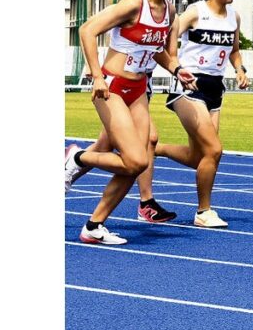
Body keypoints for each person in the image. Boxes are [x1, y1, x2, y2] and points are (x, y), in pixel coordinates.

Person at [63, 0, 196, 245]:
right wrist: (96, 75)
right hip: (111, 87)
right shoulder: (133, 4)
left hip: (137, 91)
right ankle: (77, 157)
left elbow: (157, 50)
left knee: (137, 160)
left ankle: (94, 225)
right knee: (136, 160)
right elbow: (87, 30)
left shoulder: (170, 11)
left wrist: (176, 69)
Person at [151, 0, 248, 229]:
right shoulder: (196, 12)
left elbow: (235, 50)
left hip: (215, 89)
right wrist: (177, 67)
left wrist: (239, 69)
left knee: (200, 157)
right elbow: (167, 39)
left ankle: (157, 150)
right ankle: (203, 211)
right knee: (214, 149)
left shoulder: (233, 17)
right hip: (189, 86)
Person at [66, 63, 177, 223]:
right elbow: (87, 36)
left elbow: (161, 48)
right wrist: (93, 68)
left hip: (141, 79)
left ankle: (69, 168)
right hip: (119, 79)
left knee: (104, 146)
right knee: (146, 142)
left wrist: (177, 68)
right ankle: (146, 201)